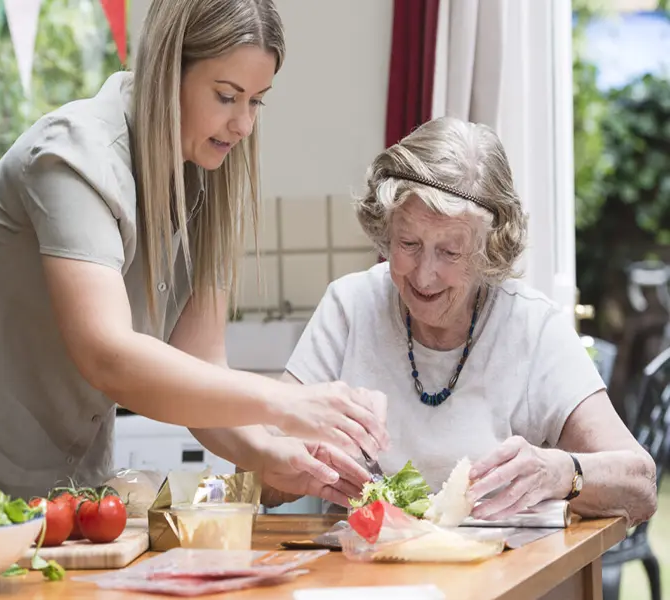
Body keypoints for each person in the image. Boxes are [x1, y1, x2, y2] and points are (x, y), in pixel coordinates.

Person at [0, 0, 387, 503]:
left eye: (257, 100)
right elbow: (109, 356)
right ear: (168, 71)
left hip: (29, 455)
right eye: (227, 96)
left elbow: (199, 366)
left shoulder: (206, 176)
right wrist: (290, 402)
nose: (244, 125)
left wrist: (273, 454)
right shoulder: (75, 154)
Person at [264, 116, 657, 527]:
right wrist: (308, 461)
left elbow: (641, 487)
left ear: (490, 251)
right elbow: (259, 478)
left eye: (450, 252)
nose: (424, 274)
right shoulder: (349, 306)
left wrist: (561, 471)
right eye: (408, 244)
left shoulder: (532, 326)